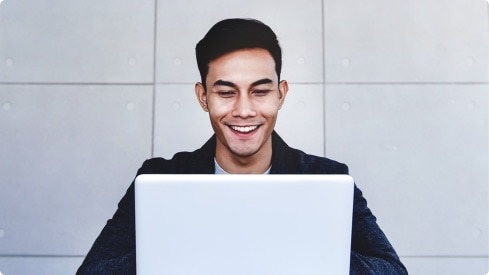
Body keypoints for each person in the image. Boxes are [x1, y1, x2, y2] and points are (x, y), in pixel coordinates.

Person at [77, 18, 408, 274]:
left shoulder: (327, 177)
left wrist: (293, 252)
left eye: (260, 91)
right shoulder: (161, 177)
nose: (244, 110)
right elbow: (94, 271)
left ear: (282, 94)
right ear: (203, 97)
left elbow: (392, 271)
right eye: (225, 92)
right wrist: (201, 247)